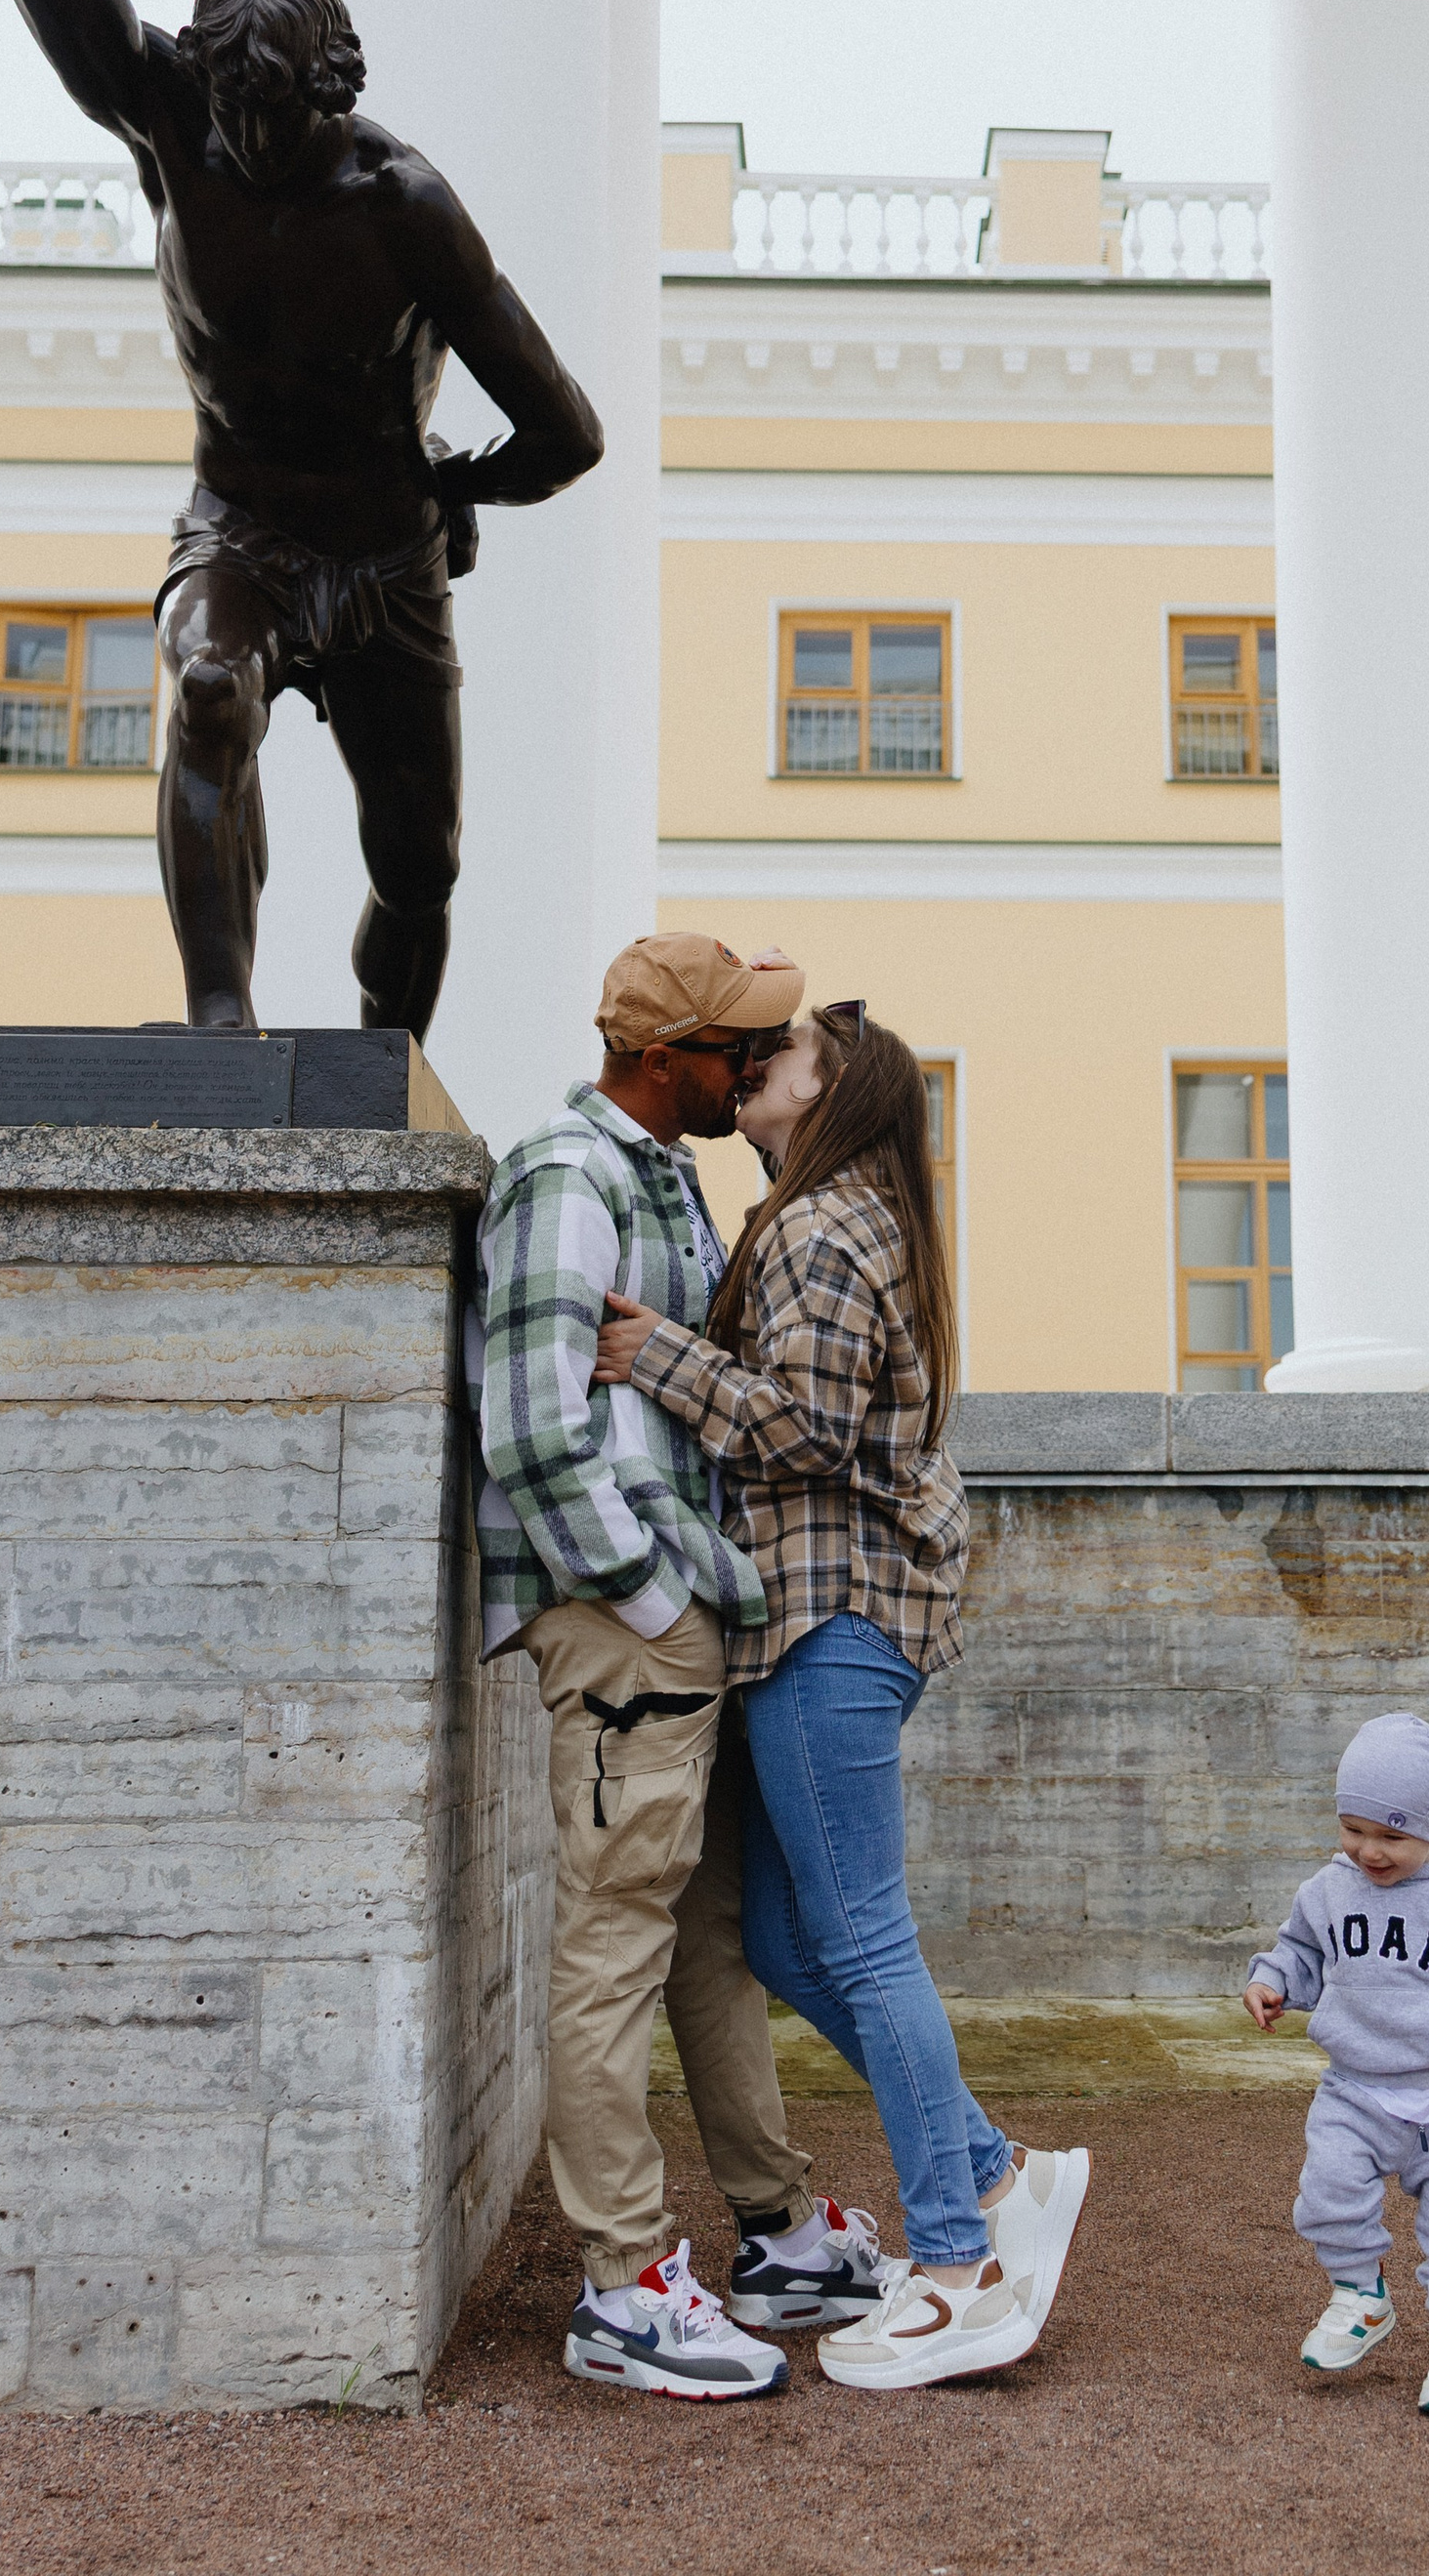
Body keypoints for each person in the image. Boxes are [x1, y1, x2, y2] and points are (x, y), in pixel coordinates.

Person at [0, 0, 606, 1034]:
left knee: (420, 865)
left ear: (328, 92)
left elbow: (569, 432)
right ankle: (222, 1024)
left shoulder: (404, 205)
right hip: (243, 526)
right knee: (209, 692)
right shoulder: (170, 111)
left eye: (278, 113)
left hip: (385, 552)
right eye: (232, 106)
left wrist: (459, 489)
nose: (249, 137)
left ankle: (381, 1082)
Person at [593, 1000, 1091, 2392]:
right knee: (788, 1941)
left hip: (832, 1618)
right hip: (820, 1620)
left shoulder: (824, 1229)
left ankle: (957, 2266)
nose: (755, 1072)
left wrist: (659, 1357)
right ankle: (997, 2174)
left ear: (834, 1094)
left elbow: (806, 1427)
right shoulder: (845, 1216)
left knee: (861, 1942)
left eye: (782, 1059)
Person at [473, 934, 896, 2402]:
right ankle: (624, 2288)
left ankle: (773, 2232)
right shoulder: (566, 1177)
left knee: (708, 1940)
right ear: (667, 1062)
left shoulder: (664, 1180)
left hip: (684, 1616)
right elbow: (530, 1428)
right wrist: (652, 1598)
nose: (752, 1070)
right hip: (629, 1619)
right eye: (737, 1050)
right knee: (617, 1942)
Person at [1242, 1712, 1429, 2421]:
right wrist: (1272, 1982)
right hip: (1356, 2091)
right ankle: (1361, 2295)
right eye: (1354, 1829)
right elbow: (1301, 1954)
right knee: (1325, 2194)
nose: (1369, 1851)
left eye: (1391, 1835)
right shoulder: (1327, 1891)